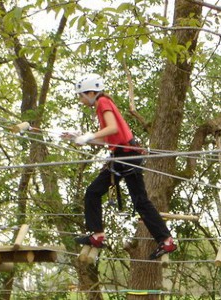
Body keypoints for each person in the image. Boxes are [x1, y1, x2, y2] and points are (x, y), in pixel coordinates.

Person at [65, 73, 176, 260]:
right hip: (121, 155)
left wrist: (89, 136)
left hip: (127, 156)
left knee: (133, 199)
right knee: (97, 192)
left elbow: (113, 128)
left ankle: (165, 240)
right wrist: (80, 138)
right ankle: (98, 235)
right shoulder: (102, 105)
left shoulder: (102, 102)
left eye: (81, 95)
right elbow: (106, 138)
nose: (80, 99)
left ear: (91, 92)